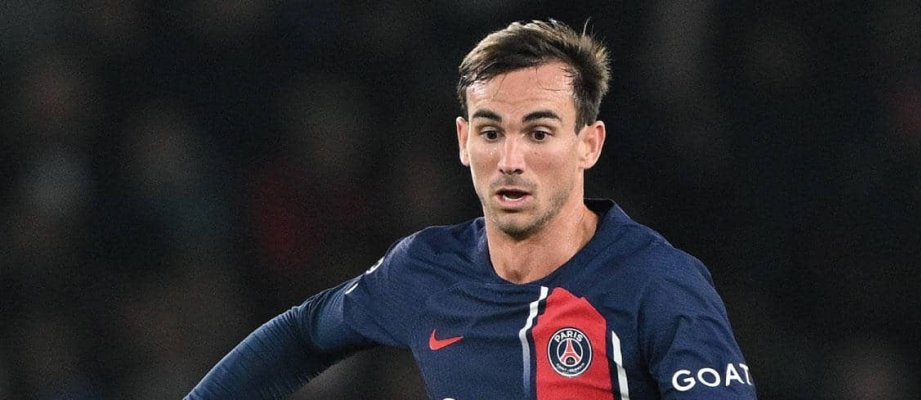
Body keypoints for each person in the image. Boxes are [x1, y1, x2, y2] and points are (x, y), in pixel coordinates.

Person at [186, 19, 757, 400]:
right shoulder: (424, 270)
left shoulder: (657, 283)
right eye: (490, 132)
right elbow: (302, 335)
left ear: (589, 143)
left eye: (538, 132)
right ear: (464, 141)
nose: (510, 160)